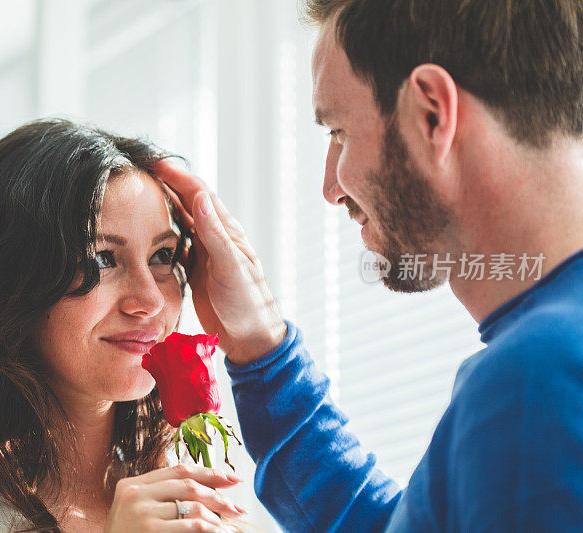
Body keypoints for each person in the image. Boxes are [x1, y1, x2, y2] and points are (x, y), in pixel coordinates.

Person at [152, 0, 583, 530]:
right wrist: (263, 348)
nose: (330, 188)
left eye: (338, 132)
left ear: (432, 114)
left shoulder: (539, 377)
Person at [0, 119, 246, 533]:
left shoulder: (189, 507)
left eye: (162, 255)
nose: (151, 301)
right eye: (102, 258)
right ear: (10, 282)